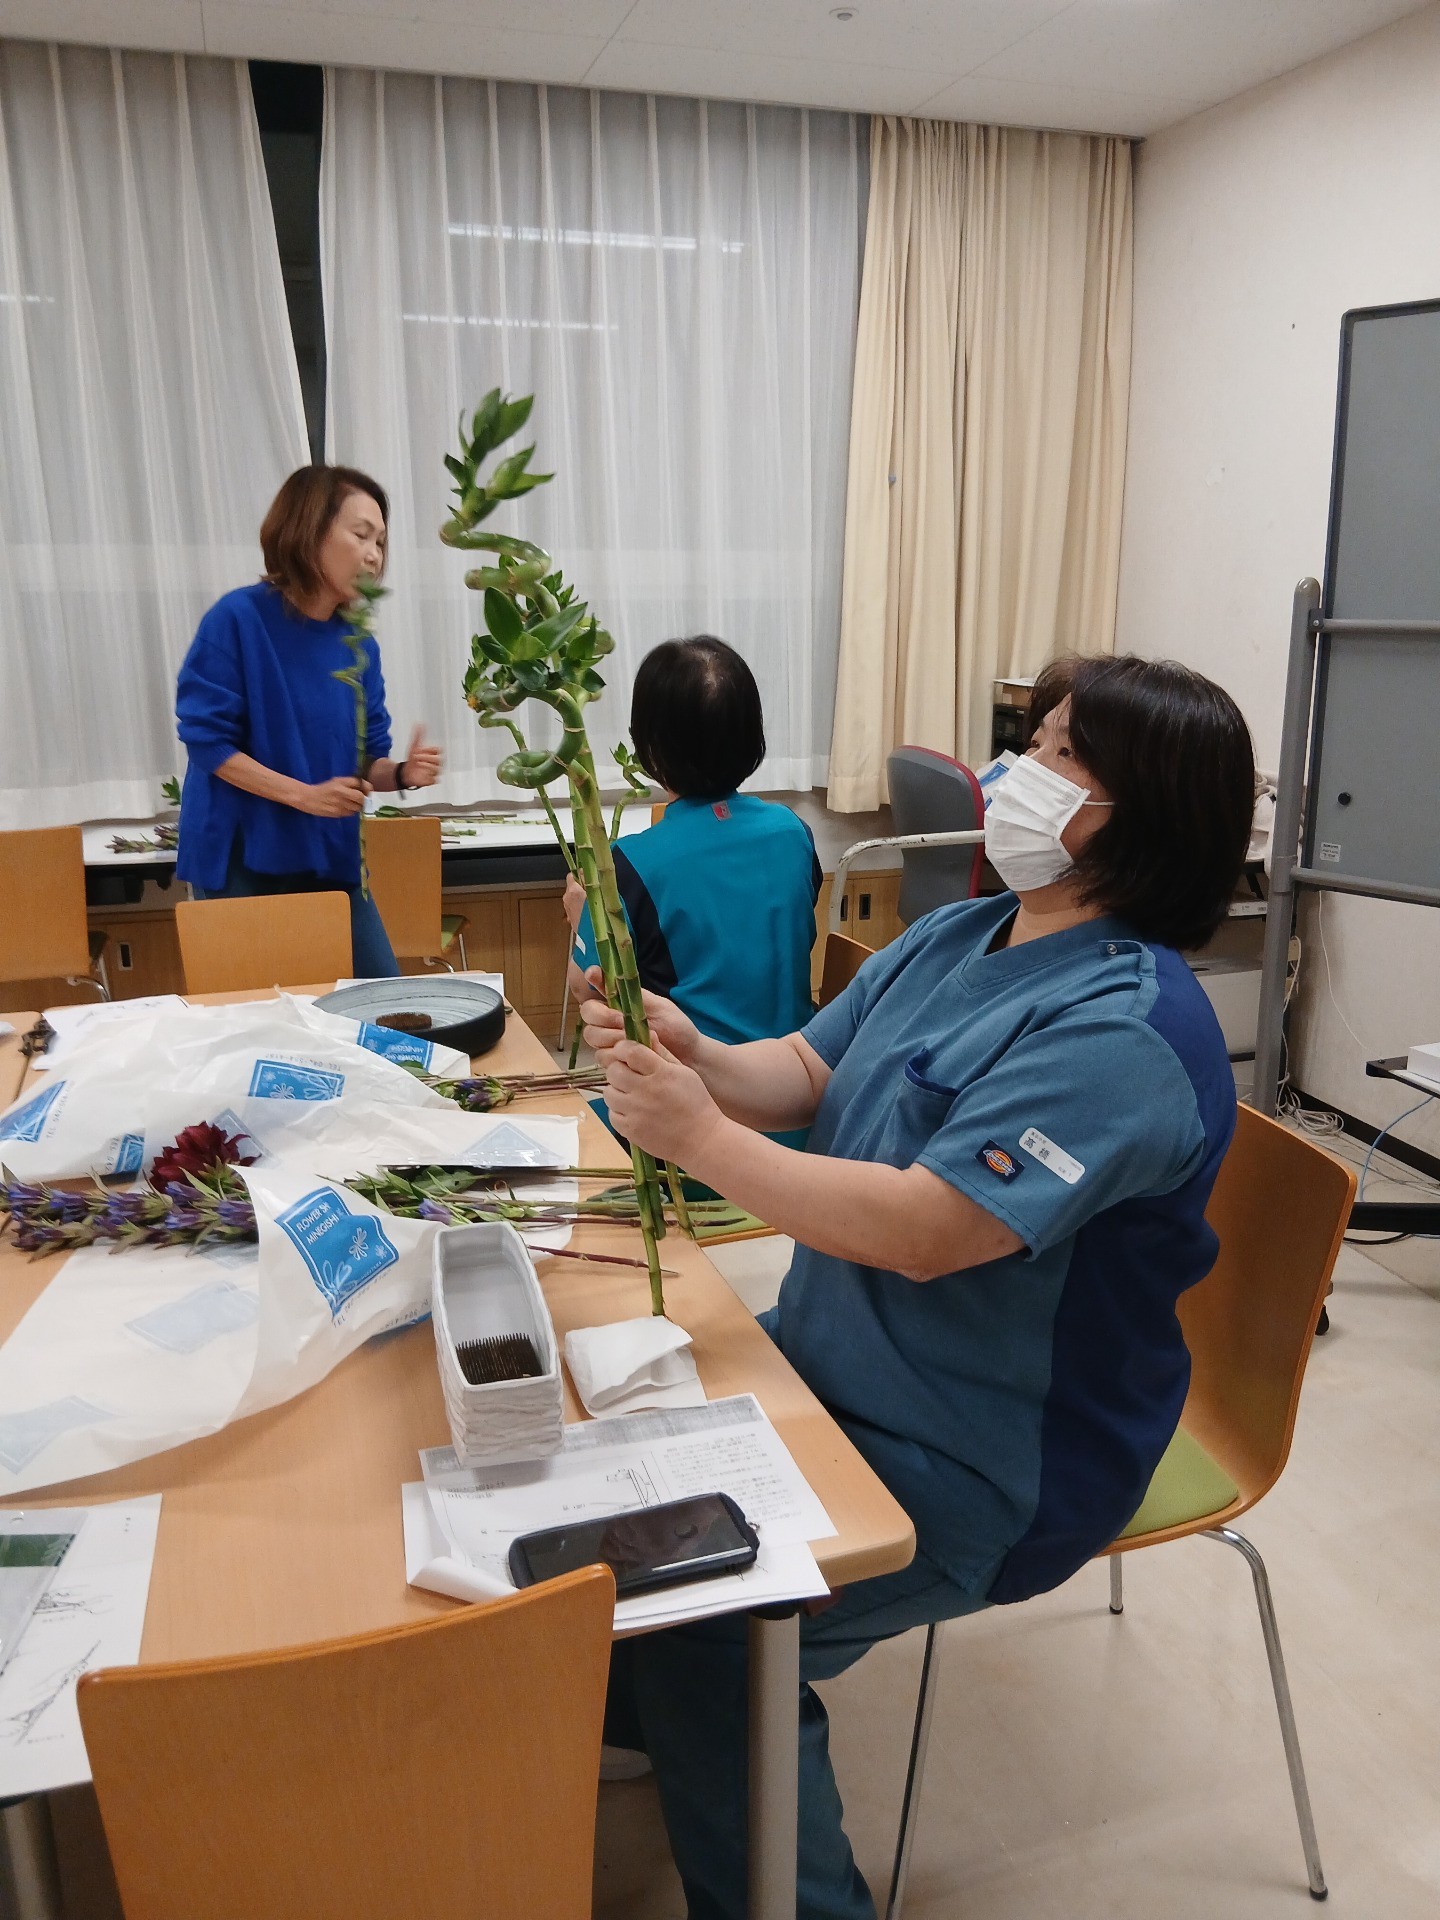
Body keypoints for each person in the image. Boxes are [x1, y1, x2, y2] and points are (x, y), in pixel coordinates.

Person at [581, 653, 1257, 1920]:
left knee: (719, 1633)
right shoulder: (966, 930)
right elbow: (806, 1071)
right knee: (602, 1571)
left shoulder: (1127, 1035)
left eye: (1061, 758)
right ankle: (672, 1721)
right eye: (1034, 742)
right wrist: (693, 1052)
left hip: (986, 1457)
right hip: (836, 1366)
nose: (1015, 777)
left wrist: (701, 1140)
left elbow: (930, 1233)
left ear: (1145, 816)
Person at [174, 466, 442, 978]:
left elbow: (368, 763)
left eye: (382, 542)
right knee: (257, 1020)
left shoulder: (358, 644)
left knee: (382, 1001)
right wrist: (304, 795)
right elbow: (208, 744)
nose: (374, 554)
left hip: (329, 854)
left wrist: (403, 773)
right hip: (241, 857)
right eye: (361, 534)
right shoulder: (238, 619)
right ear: (308, 529)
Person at [567, 635, 821, 1144]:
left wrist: (580, 918)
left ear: (649, 750)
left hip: (694, 1123)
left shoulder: (629, 864)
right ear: (754, 738)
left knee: (559, 1135)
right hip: (802, 1110)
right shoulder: (793, 832)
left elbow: (590, 991)